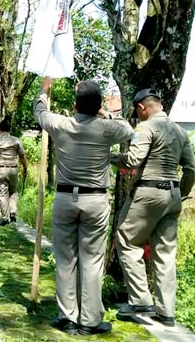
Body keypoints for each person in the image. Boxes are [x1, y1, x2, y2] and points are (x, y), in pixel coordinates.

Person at [33, 77, 134, 336]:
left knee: (66, 260)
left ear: (75, 105)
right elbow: (128, 129)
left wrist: (45, 90)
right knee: (92, 261)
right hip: (95, 201)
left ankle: (67, 317)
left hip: (65, 199)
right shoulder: (105, 128)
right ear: (98, 105)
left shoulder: (61, 124)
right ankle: (89, 321)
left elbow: (40, 111)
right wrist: (105, 112)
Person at [115, 88, 195, 327]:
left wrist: (109, 158)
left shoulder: (146, 127)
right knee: (165, 254)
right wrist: (179, 194)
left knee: (127, 240)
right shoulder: (180, 131)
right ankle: (166, 312)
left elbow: (132, 160)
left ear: (142, 108)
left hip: (148, 192)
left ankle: (141, 301)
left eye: (137, 111)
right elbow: (192, 169)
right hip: (172, 194)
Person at [0, 117, 28, 225]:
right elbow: (22, 156)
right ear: (10, 129)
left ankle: (5, 218)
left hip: (0, 169)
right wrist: (25, 169)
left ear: (0, 129)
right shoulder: (16, 140)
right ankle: (13, 212)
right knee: (13, 191)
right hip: (13, 169)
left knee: (2, 194)